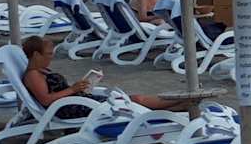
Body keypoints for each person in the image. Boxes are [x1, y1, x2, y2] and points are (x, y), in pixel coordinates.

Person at [17, 34, 181, 111]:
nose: (51, 57)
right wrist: (73, 89)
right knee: (134, 101)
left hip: (78, 101)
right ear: (36, 54)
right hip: (73, 108)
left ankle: (184, 104)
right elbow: (46, 100)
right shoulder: (33, 75)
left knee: (132, 101)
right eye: (48, 54)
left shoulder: (40, 71)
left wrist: (82, 86)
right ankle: (183, 101)